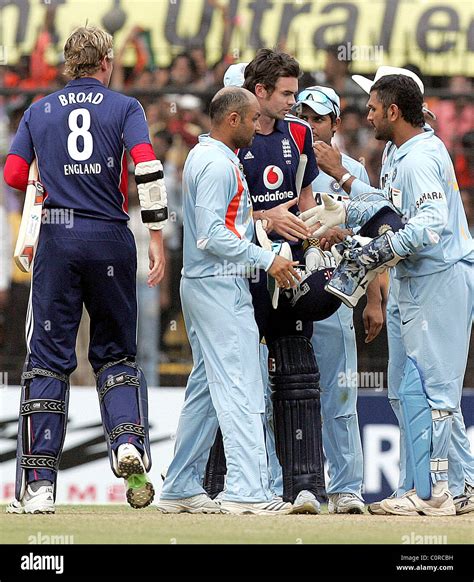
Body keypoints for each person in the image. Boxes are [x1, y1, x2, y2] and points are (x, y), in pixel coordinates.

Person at [4, 26, 168, 513]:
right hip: (112, 239)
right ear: (106, 62)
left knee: (49, 359)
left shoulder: (38, 110)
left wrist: (43, 175)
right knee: (116, 355)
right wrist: (155, 238)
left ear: (67, 64)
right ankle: (127, 445)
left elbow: (13, 173)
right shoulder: (125, 108)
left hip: (57, 238)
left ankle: (38, 488)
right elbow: (147, 167)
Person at [301, 70, 474, 516]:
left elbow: (427, 228)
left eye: (374, 106)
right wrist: (347, 204)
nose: (368, 113)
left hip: (438, 279)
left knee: (435, 392)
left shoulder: (418, 158)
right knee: (407, 390)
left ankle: (438, 493)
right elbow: (391, 212)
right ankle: (460, 485)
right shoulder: (401, 149)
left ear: (394, 111)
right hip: (413, 280)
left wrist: (368, 250)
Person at [206, 51, 336, 515]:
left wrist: (318, 225)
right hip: (241, 275)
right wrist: (267, 217)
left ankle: (305, 488)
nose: (294, 102)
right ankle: (215, 485)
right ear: (258, 93)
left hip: (290, 271)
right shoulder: (228, 140)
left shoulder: (299, 133)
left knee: (299, 377)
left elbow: (303, 201)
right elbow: (220, 219)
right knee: (235, 381)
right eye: (286, 93)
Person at [156, 86, 297, 515]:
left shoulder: (210, 158)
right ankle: (246, 491)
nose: (259, 126)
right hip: (219, 284)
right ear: (232, 119)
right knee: (241, 386)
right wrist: (265, 258)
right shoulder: (217, 164)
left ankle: (180, 484)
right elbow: (211, 234)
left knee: (206, 387)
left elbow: (220, 227)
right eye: (253, 119)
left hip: (205, 283)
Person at [293, 85, 387, 514]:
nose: (310, 125)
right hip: (289, 289)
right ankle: (290, 484)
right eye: (303, 115)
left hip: (336, 293)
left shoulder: (351, 171)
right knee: (288, 391)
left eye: (318, 118)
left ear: (335, 123)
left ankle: (347, 487)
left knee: (340, 392)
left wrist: (373, 300)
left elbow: (372, 240)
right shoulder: (282, 159)